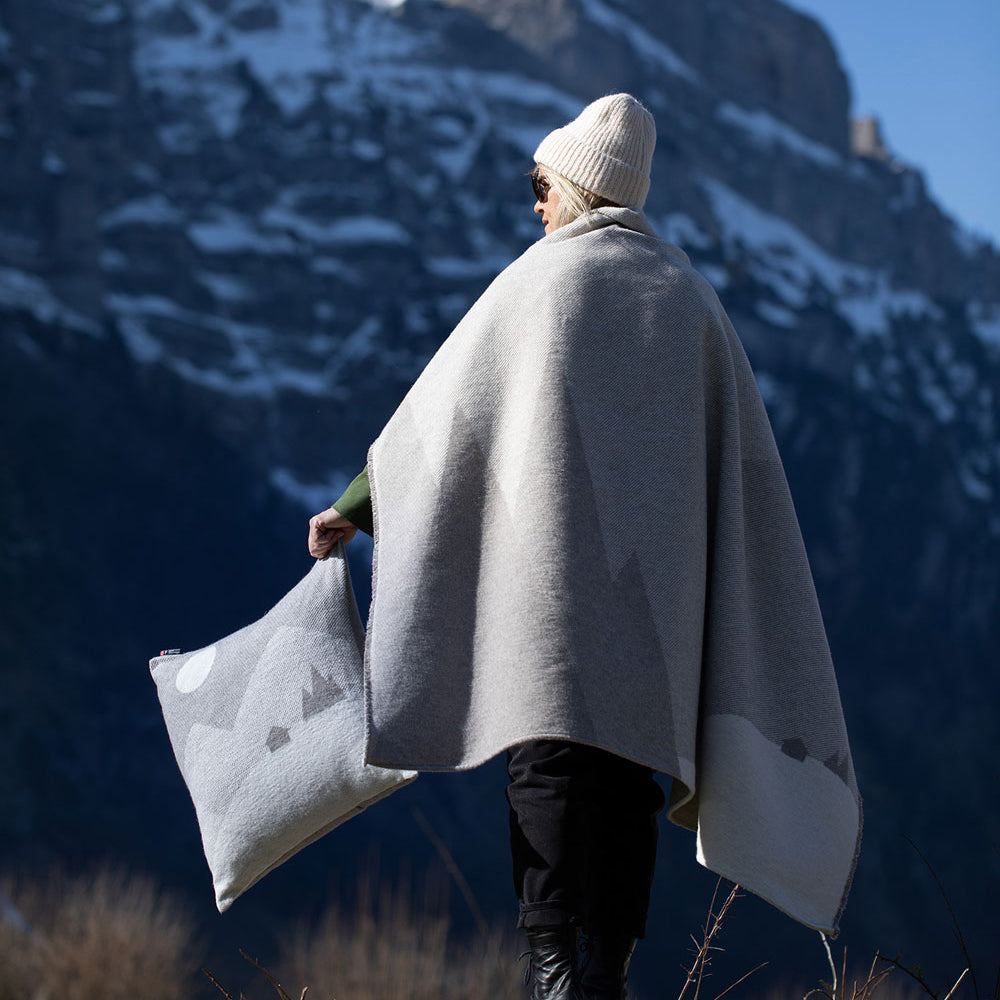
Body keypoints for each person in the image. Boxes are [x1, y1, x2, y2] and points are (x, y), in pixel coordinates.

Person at [308, 94, 860, 1000]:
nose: (535, 205)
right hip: (659, 602)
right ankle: (602, 970)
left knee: (550, 765)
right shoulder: (691, 301)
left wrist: (353, 510)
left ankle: (557, 973)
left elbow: (438, 427)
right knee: (626, 771)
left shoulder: (539, 282)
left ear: (574, 187)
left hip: (550, 595)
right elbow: (744, 475)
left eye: (541, 184)